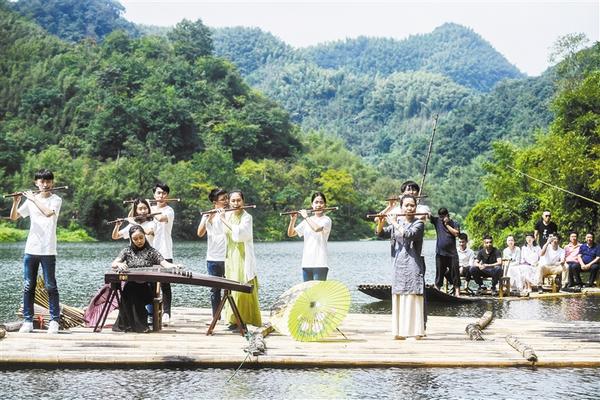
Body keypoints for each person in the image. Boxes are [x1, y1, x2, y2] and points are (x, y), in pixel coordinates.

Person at [10, 169, 62, 334]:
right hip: (31, 249)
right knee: (28, 286)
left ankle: (54, 321)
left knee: (50, 286)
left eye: (48, 181)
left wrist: (33, 198)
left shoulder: (56, 200)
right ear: (36, 183)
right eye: (42, 181)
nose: (45, 184)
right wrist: (16, 202)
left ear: (52, 183)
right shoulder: (31, 200)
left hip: (48, 250)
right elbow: (14, 217)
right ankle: (28, 321)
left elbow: (48, 213)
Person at [111, 225, 181, 333]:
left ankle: (139, 326)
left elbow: (165, 263)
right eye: (135, 239)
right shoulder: (127, 251)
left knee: (136, 294)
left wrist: (174, 266)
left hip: (147, 287)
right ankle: (131, 325)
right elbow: (114, 263)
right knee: (129, 292)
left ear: (144, 236)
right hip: (131, 286)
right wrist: (119, 264)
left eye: (141, 237)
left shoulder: (152, 251)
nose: (139, 241)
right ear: (131, 239)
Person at [381, 194, 426, 340]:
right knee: (399, 295)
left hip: (413, 264)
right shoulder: (398, 222)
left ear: (416, 207)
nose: (409, 208)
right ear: (401, 207)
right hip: (398, 264)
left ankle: (415, 332)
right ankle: (399, 332)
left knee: (413, 295)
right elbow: (381, 233)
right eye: (406, 205)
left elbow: (409, 234)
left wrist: (394, 222)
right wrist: (381, 222)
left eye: (412, 205)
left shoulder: (419, 223)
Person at [219, 190, 262, 329]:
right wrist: (216, 216)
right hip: (230, 255)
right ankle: (232, 320)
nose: (236, 203)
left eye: (238, 200)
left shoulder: (247, 217)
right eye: (233, 201)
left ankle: (243, 320)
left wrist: (223, 219)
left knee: (241, 286)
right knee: (230, 287)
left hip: (242, 255)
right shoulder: (228, 215)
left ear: (243, 201)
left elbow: (241, 235)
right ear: (229, 202)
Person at [287, 192, 332, 281]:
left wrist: (306, 217)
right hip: (306, 263)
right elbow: (291, 233)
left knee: (318, 289)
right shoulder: (308, 220)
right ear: (312, 205)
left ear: (325, 205)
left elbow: (316, 228)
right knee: (307, 289)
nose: (319, 205)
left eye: (321, 202)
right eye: (316, 202)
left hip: (320, 263)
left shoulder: (326, 220)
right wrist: (293, 220)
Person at [197, 188, 228, 317]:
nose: (226, 201)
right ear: (215, 202)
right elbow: (200, 233)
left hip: (227, 257)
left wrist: (223, 216)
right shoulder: (207, 215)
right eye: (223, 199)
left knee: (230, 288)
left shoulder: (229, 213)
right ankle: (216, 316)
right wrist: (207, 219)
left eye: (227, 198)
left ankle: (230, 316)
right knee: (214, 289)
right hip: (212, 258)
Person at [151, 183, 175, 325]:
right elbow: (134, 218)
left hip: (165, 250)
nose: (161, 196)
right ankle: (151, 312)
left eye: (164, 193)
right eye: (158, 193)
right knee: (151, 284)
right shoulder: (148, 208)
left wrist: (150, 208)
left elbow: (160, 218)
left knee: (165, 284)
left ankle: (166, 313)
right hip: (150, 251)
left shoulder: (169, 210)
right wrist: (138, 205)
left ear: (167, 195)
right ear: (154, 195)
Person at [430, 208, 460, 295]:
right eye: (440, 217)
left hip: (452, 254)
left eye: (443, 217)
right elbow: (428, 215)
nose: (441, 218)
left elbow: (456, 233)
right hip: (440, 253)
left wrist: (447, 225)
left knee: (455, 273)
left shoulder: (454, 223)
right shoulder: (437, 221)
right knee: (439, 273)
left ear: (447, 215)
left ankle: (457, 293)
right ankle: (437, 292)